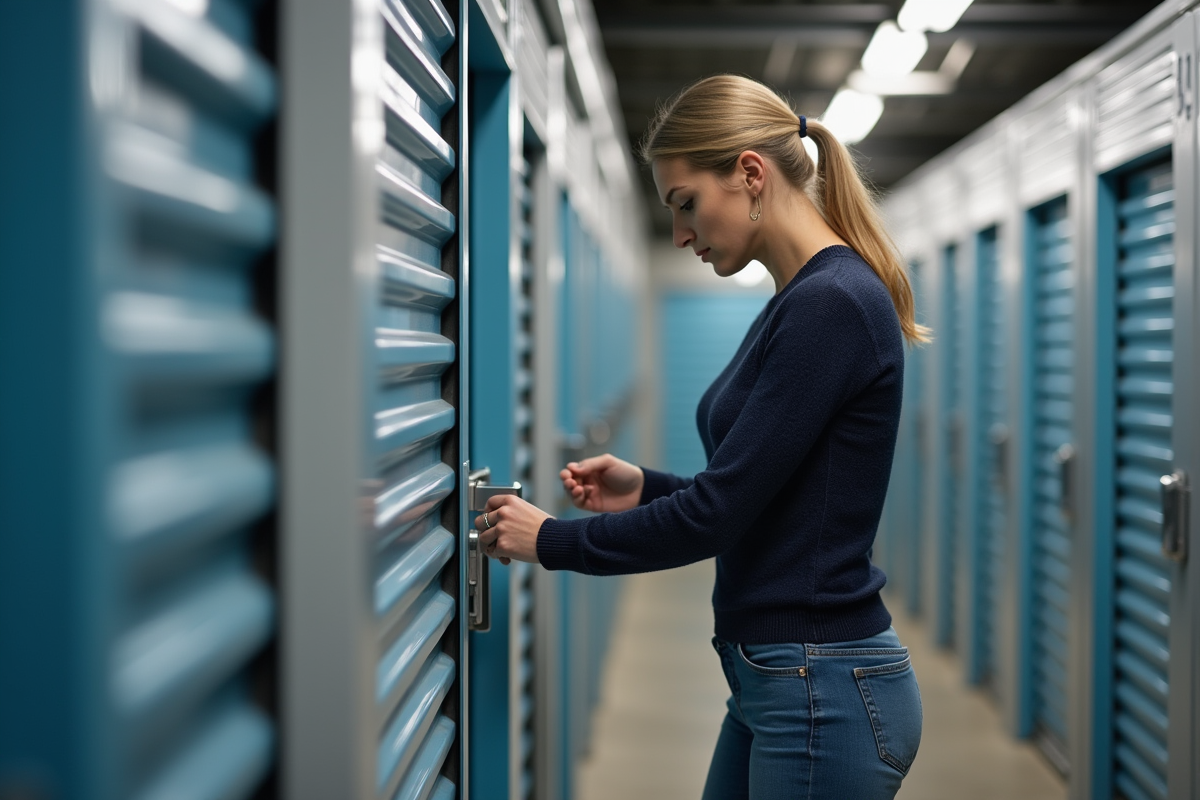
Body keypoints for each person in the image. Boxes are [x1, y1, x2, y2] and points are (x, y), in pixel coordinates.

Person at [474, 74, 931, 799]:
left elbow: (717, 515)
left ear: (750, 174)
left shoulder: (831, 304)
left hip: (820, 687)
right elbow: (765, 494)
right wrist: (648, 489)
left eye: (685, 204)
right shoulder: (799, 301)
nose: (681, 233)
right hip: (778, 679)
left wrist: (552, 541)